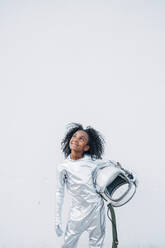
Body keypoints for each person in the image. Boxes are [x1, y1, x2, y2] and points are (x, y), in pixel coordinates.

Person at [55, 123, 106, 248]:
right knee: (68, 244)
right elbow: (59, 192)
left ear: (87, 147)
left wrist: (130, 176)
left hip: (96, 212)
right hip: (77, 213)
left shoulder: (94, 162)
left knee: (96, 245)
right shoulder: (63, 167)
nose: (76, 140)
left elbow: (113, 167)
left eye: (81, 139)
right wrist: (57, 218)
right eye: (74, 136)